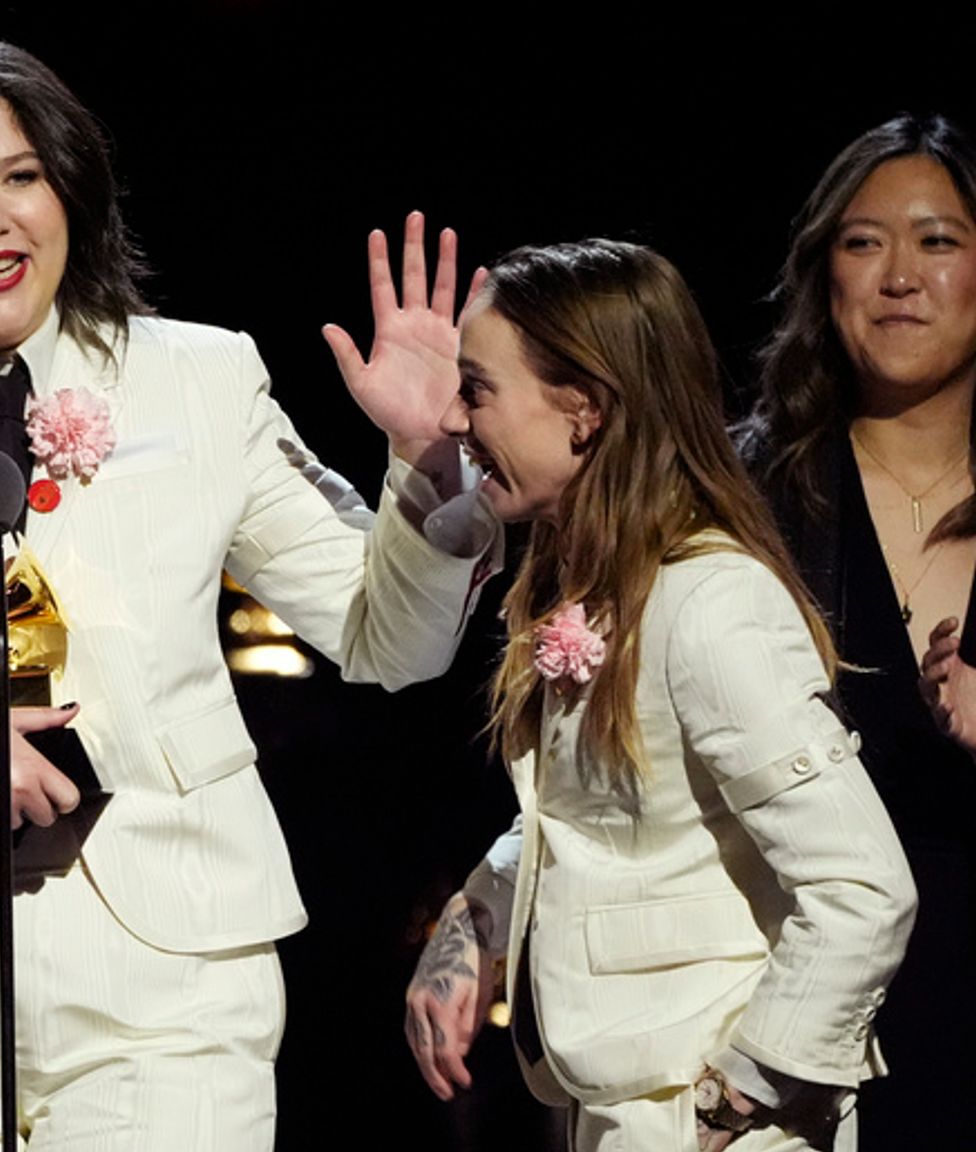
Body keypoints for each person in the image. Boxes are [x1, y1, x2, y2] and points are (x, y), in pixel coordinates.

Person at [0, 37, 499, 1150]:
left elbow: (384, 640)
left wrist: (422, 466)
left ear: (70, 190)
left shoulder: (201, 379)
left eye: (19, 177)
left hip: (169, 979)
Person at [401, 239, 917, 1150]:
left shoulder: (712, 603)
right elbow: (601, 814)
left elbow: (863, 888)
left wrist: (735, 1100)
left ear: (585, 408)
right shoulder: (605, 591)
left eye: (477, 387)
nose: (452, 415)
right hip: (609, 1111)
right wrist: (474, 918)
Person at [735, 112, 975, 1148]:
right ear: (820, 274)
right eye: (860, 241)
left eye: (937, 240)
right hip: (801, 1025)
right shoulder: (738, 494)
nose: (896, 277)